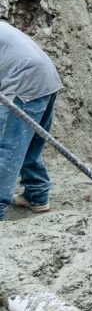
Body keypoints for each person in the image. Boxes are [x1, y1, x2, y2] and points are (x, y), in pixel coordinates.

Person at [0, 20, 62, 221]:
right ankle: (37, 196)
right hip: (46, 78)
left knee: (8, 147)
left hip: (24, 83)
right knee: (30, 142)